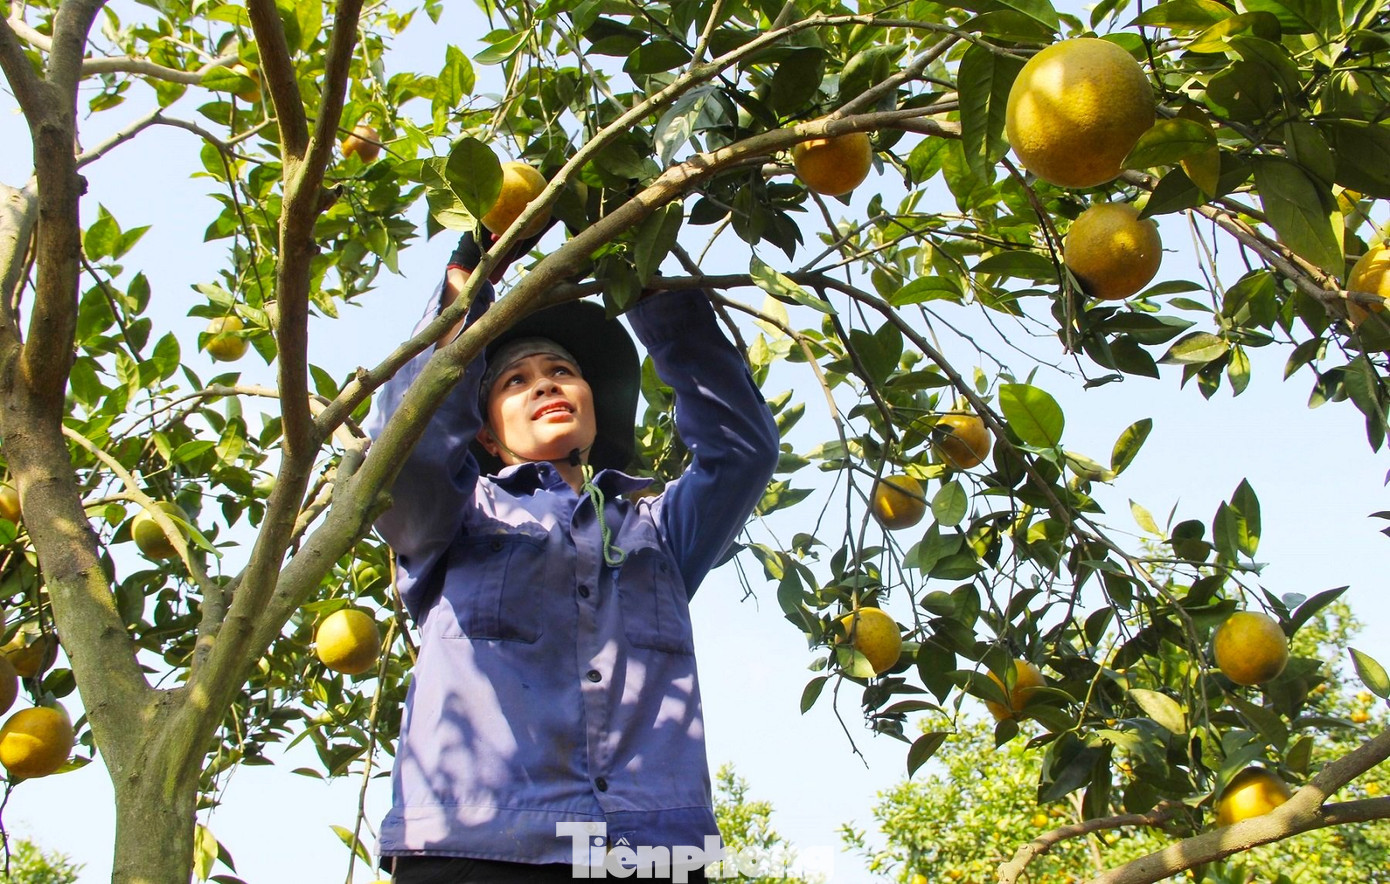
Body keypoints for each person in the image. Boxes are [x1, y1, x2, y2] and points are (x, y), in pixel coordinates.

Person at [368, 223, 780, 883]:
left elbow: (742, 449)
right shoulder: (457, 518)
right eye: (515, 381)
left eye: (563, 371)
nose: (545, 385)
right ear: (487, 434)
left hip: (650, 851)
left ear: (592, 404)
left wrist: (645, 271)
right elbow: (405, 457)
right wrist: (463, 297)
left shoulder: (658, 529)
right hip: (479, 845)